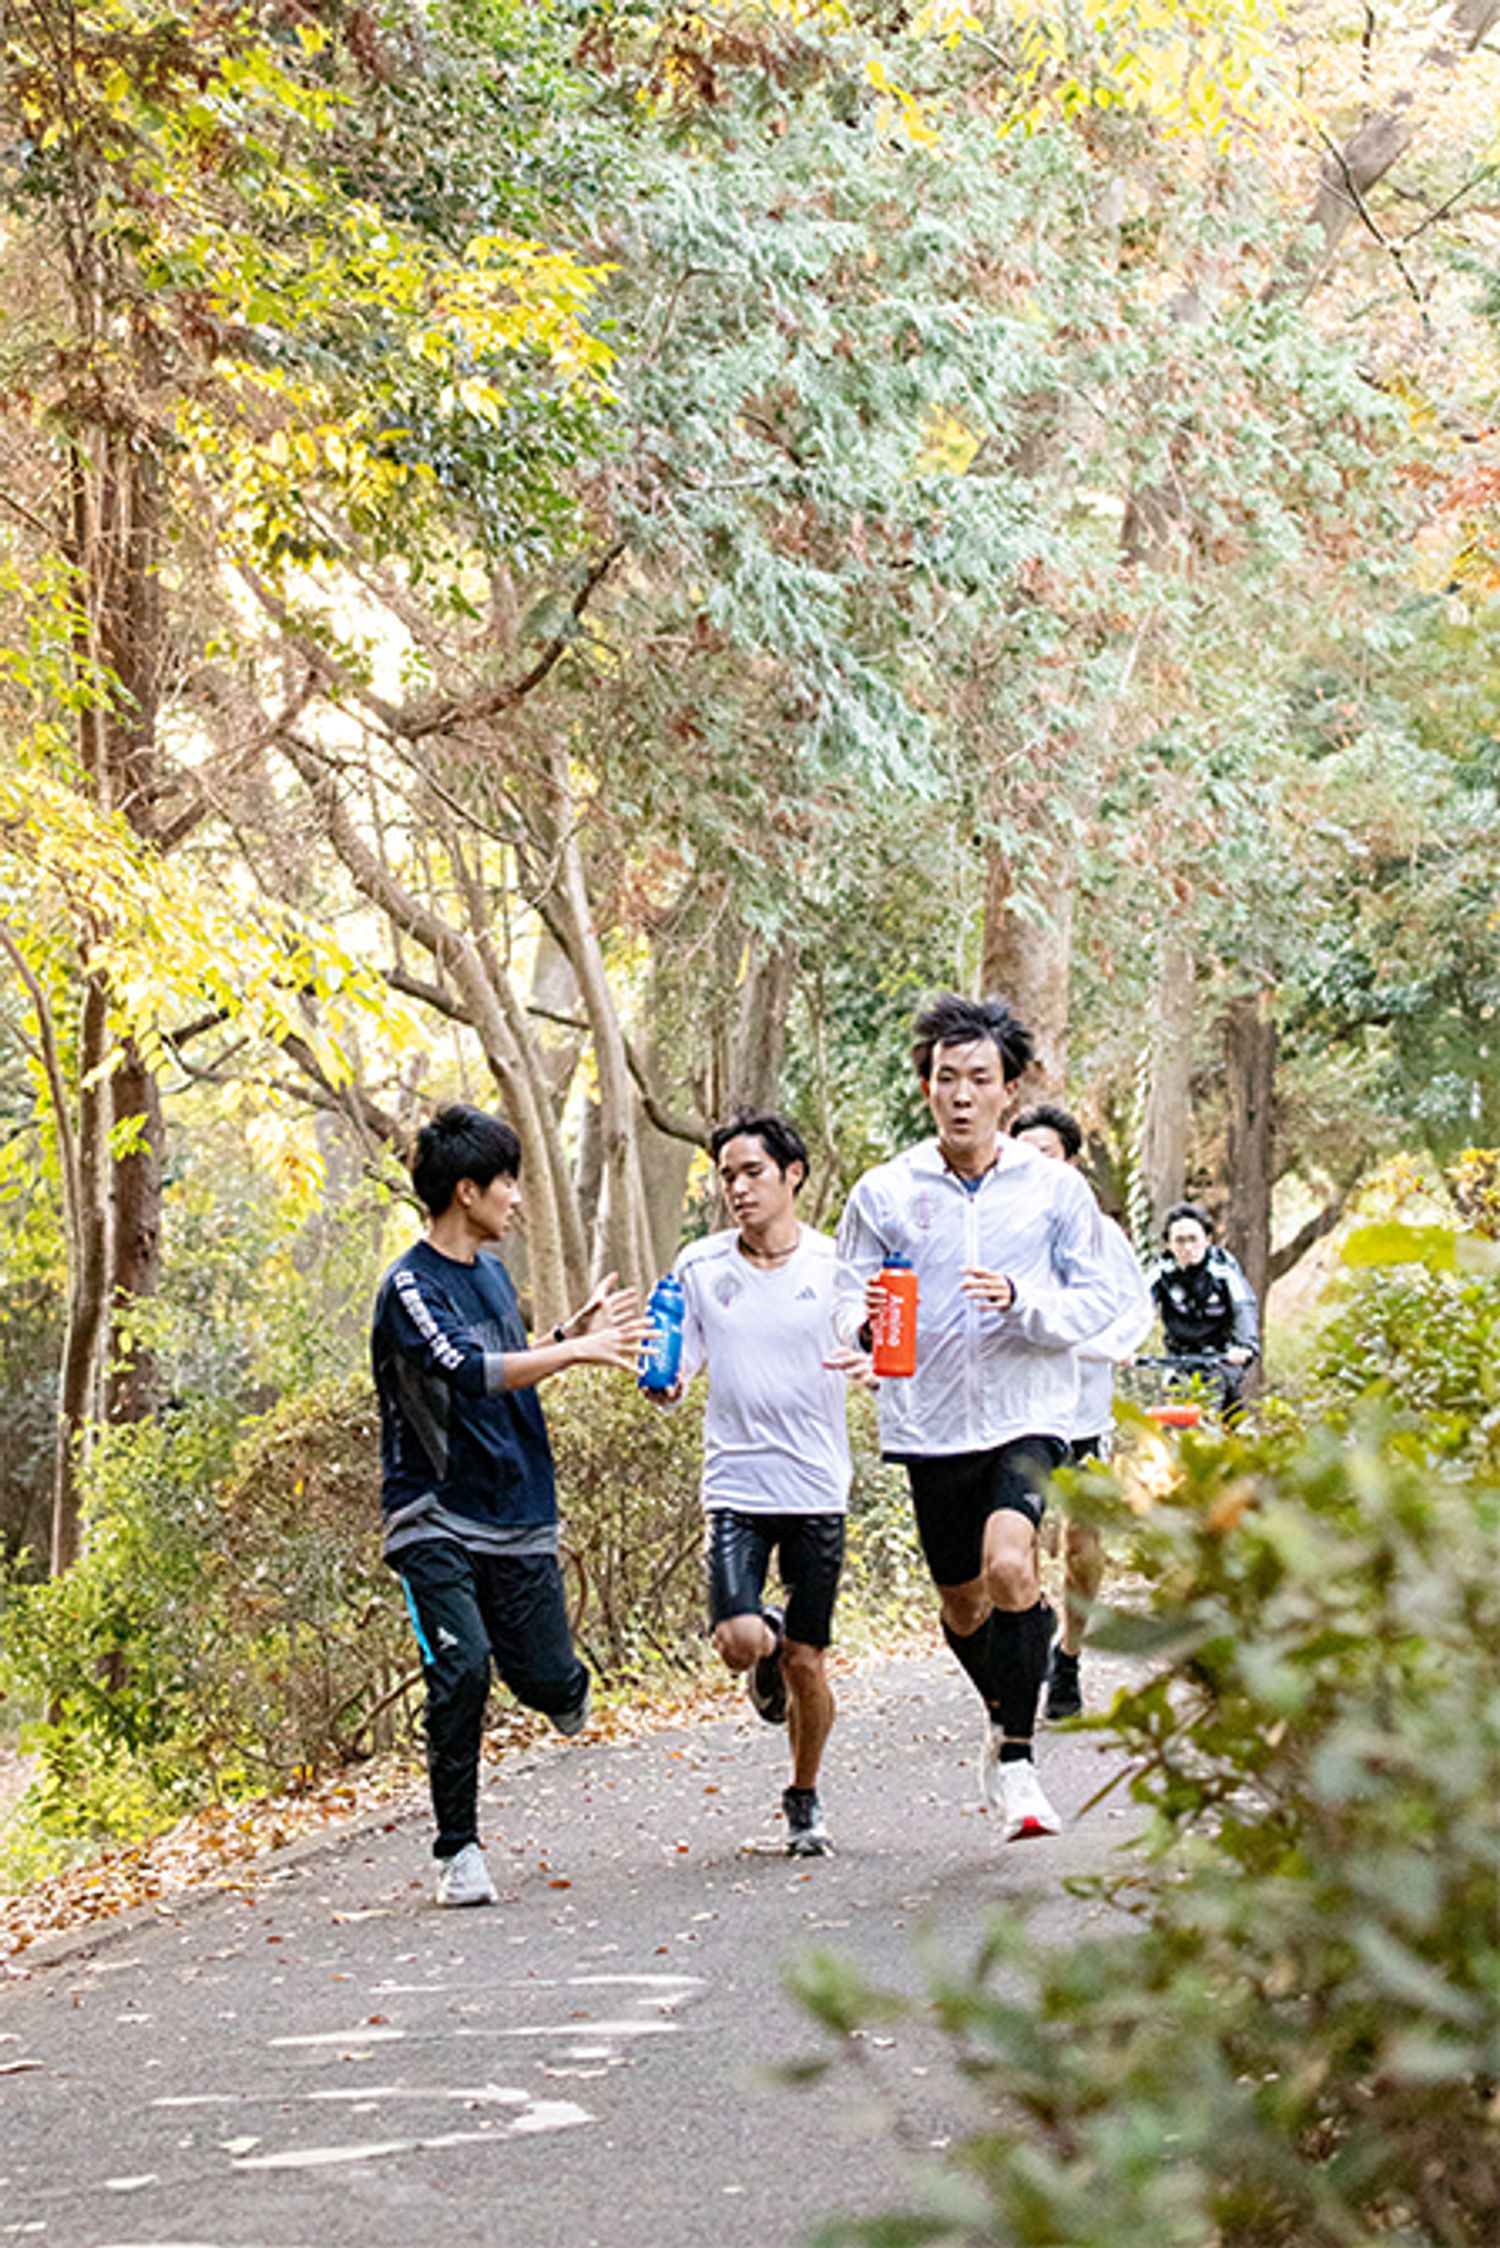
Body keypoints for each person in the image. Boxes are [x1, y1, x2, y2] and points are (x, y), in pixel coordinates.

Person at [833, 994, 1122, 1842]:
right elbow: (844, 1292)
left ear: (1010, 1091)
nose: (962, 1094)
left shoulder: (1054, 1190)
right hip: (929, 1424)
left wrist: (1022, 1300)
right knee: (964, 1607)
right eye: (947, 1077)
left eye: (980, 1079)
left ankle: (1021, 1762)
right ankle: (1004, 1702)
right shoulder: (885, 1191)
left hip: (1029, 1412)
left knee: (1009, 1565)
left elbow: (1098, 1299)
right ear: (927, 1087)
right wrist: (860, 1330)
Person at [372, 1105, 646, 1908]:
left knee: (547, 1681)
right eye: (507, 1183)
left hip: (517, 1508)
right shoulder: (410, 1286)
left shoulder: (490, 1275)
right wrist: (577, 1351)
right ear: (467, 1191)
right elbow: (463, 1369)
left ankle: (563, 1687)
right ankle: (457, 1851)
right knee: (462, 1670)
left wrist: (565, 1333)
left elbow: (505, 1358)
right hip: (431, 1512)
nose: (518, 1198)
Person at [658, 1109, 868, 1857]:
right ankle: (767, 1638)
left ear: (793, 1175)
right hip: (737, 1486)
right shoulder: (700, 1265)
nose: (738, 1189)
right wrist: (666, 1382)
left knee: (809, 1663)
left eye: (752, 1173)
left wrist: (872, 1350)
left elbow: (859, 1330)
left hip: (815, 1485)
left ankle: (803, 1797)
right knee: (740, 1642)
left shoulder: (835, 1263)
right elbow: (682, 1362)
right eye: (727, 1177)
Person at [1009, 1102, 1152, 1720]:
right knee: (1012, 1540)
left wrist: (1088, 1345)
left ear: (1070, 1162)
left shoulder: (1099, 1233)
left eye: (1047, 1154)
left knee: (1081, 1544)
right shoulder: (999, 1229)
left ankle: (1068, 1652)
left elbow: (1133, 1311)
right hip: (1016, 1410)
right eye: (1024, 1154)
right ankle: (1031, 1621)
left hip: (1083, 1412)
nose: (1035, 1165)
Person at [1148, 1201, 1260, 1417]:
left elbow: (1244, 1308)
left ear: (1207, 1240)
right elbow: (1136, 1309)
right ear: (1169, 1244)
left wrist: (1246, 1345)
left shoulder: (1224, 1272)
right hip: (1179, 1359)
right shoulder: (1161, 1273)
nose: (1187, 1248)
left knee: (1222, 1417)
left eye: (1193, 1239)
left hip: (1221, 1358)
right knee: (1174, 1417)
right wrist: (1121, 1346)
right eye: (1180, 1241)